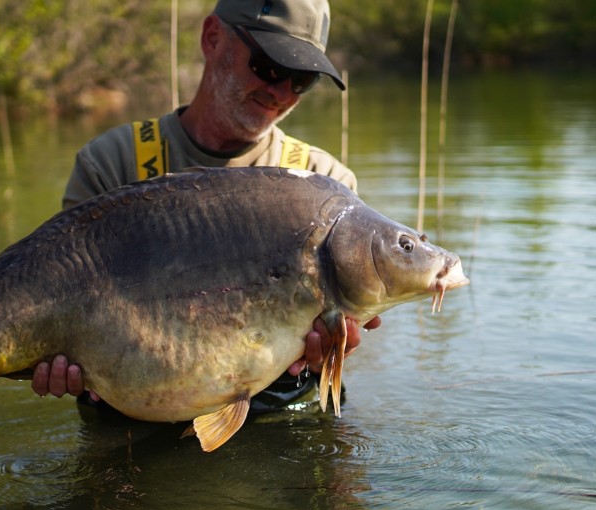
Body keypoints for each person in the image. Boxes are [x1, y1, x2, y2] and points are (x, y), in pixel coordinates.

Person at [33, 0, 381, 413]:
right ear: (212, 37)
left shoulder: (326, 186)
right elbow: (50, 302)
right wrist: (48, 353)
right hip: (132, 425)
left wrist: (336, 347)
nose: (281, 93)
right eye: (270, 67)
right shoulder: (112, 164)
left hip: (282, 423)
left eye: (302, 79)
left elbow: (344, 331)